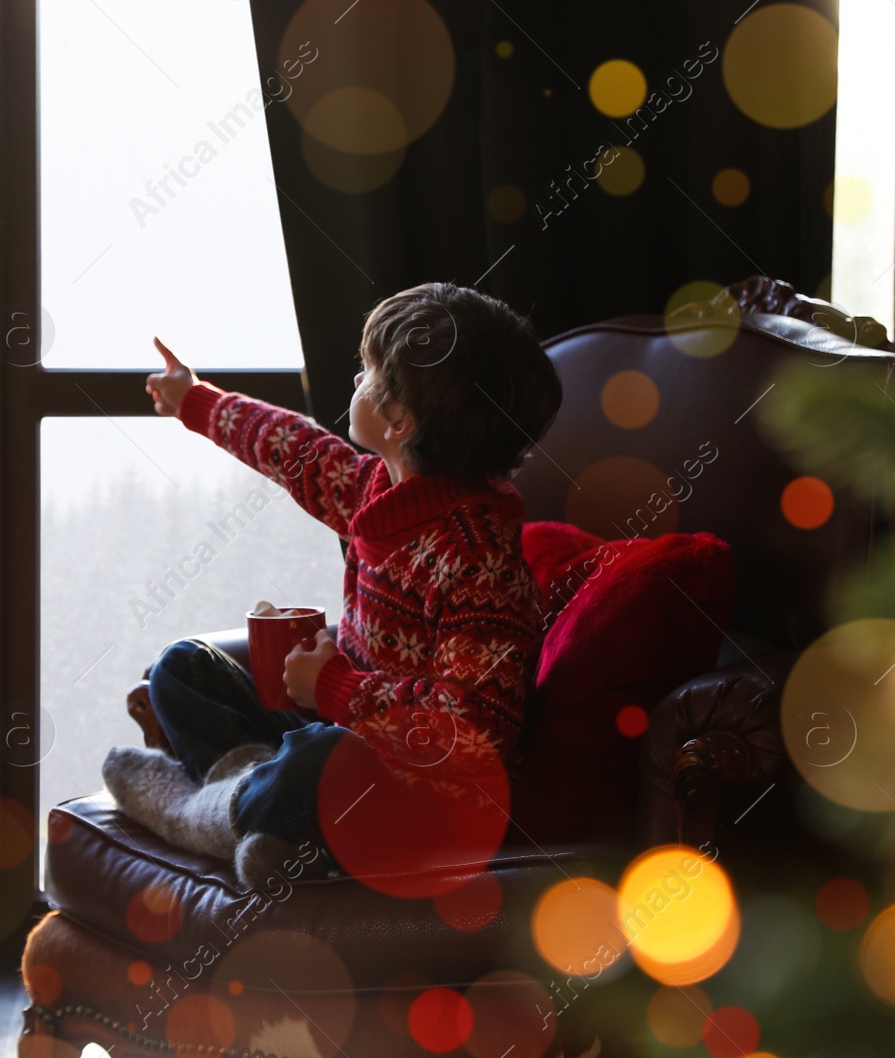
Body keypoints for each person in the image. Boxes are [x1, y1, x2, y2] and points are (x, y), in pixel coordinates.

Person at [101, 281, 563, 888]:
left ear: (399, 419)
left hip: (419, 795)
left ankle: (201, 816)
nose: (355, 383)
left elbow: (473, 732)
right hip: (348, 736)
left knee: (314, 762)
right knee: (183, 670)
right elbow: (289, 447)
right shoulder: (373, 489)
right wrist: (194, 400)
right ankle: (267, 825)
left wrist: (339, 687)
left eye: (368, 375)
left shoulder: (478, 562)